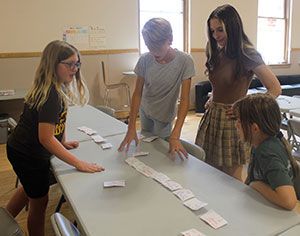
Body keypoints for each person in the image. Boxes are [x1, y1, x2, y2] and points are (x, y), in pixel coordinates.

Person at [6, 40, 105, 236]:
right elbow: (45, 138)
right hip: (27, 153)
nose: (74, 69)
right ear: (53, 65)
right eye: (69, 64)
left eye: (77, 64)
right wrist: (78, 163)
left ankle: (5, 217)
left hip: (23, 149)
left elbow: (60, 118)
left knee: (30, 189)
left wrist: (62, 141)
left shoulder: (58, 86)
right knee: (39, 202)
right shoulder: (51, 94)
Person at [195, 4, 281, 180]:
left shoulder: (248, 54)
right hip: (212, 117)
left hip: (232, 120)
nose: (215, 35)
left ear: (233, 28)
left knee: (230, 178)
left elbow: (275, 88)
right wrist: (213, 96)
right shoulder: (215, 50)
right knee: (207, 170)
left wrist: (247, 109)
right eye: (212, 30)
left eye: (220, 30)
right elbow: (220, 81)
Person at [118, 18, 195, 160]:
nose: (154, 53)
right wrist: (131, 127)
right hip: (146, 111)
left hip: (164, 116)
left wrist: (176, 134)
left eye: (158, 48)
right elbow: (137, 94)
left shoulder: (185, 61)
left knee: (162, 153)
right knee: (146, 147)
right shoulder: (145, 59)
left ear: (170, 39)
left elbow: (184, 100)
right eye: (149, 47)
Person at [232, 93, 299, 210]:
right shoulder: (262, 142)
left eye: (239, 120)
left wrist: (255, 185)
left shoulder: (267, 153)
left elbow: (289, 201)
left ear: (255, 128)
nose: (236, 124)